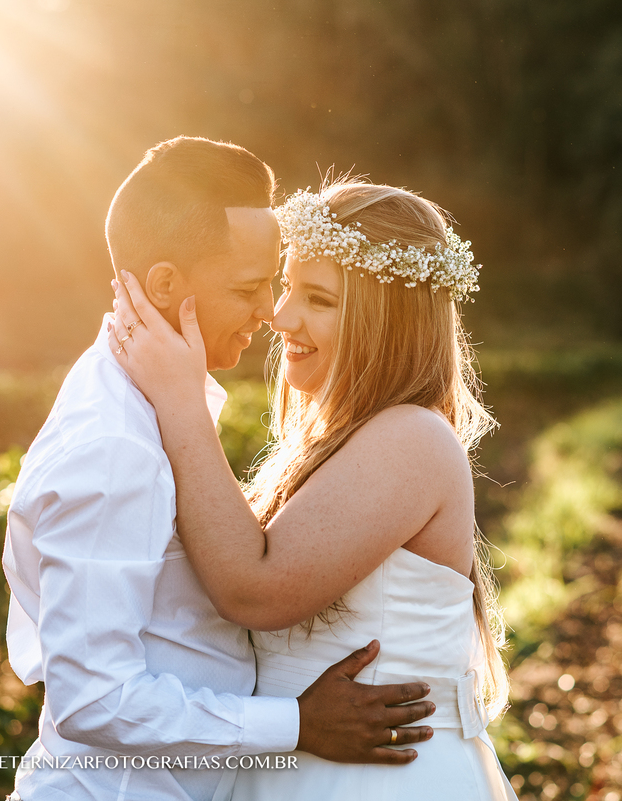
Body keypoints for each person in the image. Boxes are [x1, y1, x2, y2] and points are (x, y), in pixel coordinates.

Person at [1, 139, 438, 801]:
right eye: (252, 287)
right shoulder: (114, 443)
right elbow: (93, 697)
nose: (271, 312)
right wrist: (294, 723)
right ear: (167, 286)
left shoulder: (156, 408)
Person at [107, 178, 518, 799]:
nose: (280, 314)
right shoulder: (343, 441)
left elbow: (255, 590)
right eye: (288, 285)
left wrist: (179, 400)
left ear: (387, 321)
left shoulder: (411, 438)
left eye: (319, 299)